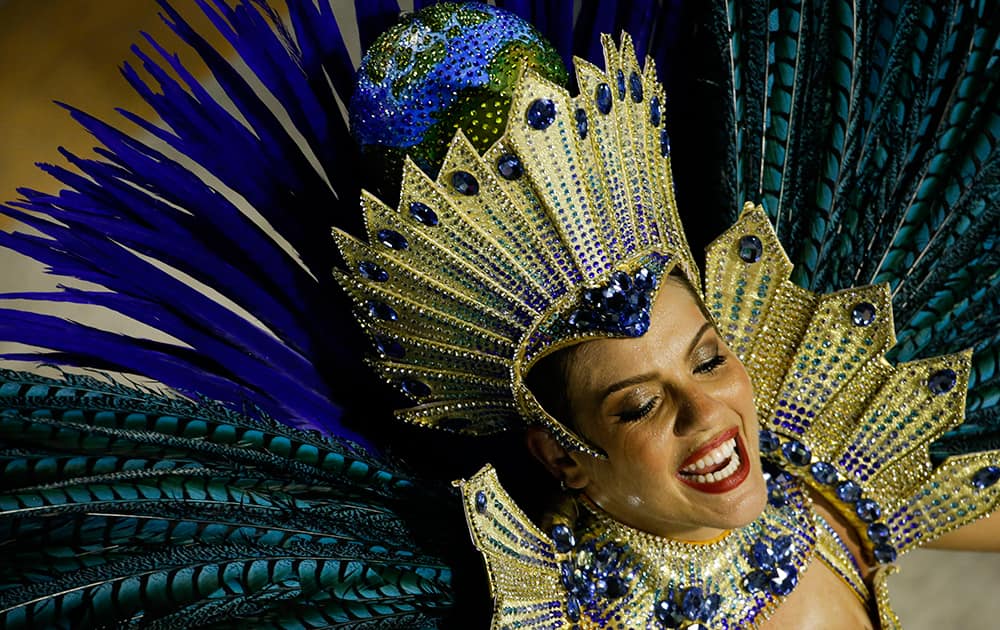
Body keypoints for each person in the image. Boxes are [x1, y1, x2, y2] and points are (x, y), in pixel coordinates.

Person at [0, 1, 998, 628]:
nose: (708, 416)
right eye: (638, 407)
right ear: (560, 454)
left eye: (705, 358)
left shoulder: (823, 491)